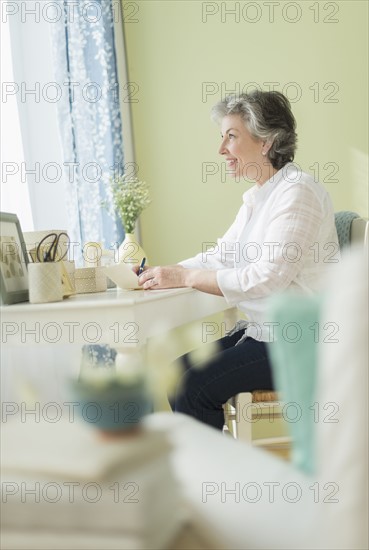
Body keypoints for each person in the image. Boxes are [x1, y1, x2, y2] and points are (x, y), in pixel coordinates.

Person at [136, 90, 339, 430]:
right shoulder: (258, 197)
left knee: (192, 388)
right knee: (177, 376)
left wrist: (186, 278)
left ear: (265, 142)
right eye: (222, 137)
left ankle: (212, 479)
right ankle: (218, 470)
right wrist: (163, 272)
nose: (221, 150)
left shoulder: (297, 191)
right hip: (265, 334)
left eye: (231, 137)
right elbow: (220, 256)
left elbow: (268, 277)